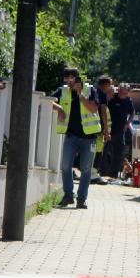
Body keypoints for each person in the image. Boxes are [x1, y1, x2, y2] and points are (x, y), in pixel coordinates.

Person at [51, 67, 102, 209]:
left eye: (71, 78)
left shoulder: (89, 90)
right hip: (71, 136)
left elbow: (93, 109)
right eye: (66, 78)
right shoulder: (63, 91)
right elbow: (49, 101)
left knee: (86, 169)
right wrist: (59, 108)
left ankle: (82, 199)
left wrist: (80, 94)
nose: (68, 81)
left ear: (77, 78)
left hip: (89, 137)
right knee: (66, 166)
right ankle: (68, 195)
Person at [107, 83, 135, 180]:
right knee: (107, 151)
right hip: (109, 129)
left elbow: (132, 113)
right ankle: (102, 172)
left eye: (124, 91)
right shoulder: (113, 98)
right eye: (120, 91)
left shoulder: (128, 101)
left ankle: (113, 175)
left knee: (118, 153)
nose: (122, 93)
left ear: (128, 92)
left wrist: (128, 123)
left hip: (120, 131)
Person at [91, 75, 113, 184]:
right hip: (98, 127)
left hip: (90, 126)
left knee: (91, 150)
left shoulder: (92, 92)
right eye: (109, 85)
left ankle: (90, 172)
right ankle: (93, 173)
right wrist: (106, 130)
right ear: (105, 85)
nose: (110, 87)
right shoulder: (102, 95)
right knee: (98, 151)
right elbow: (103, 111)